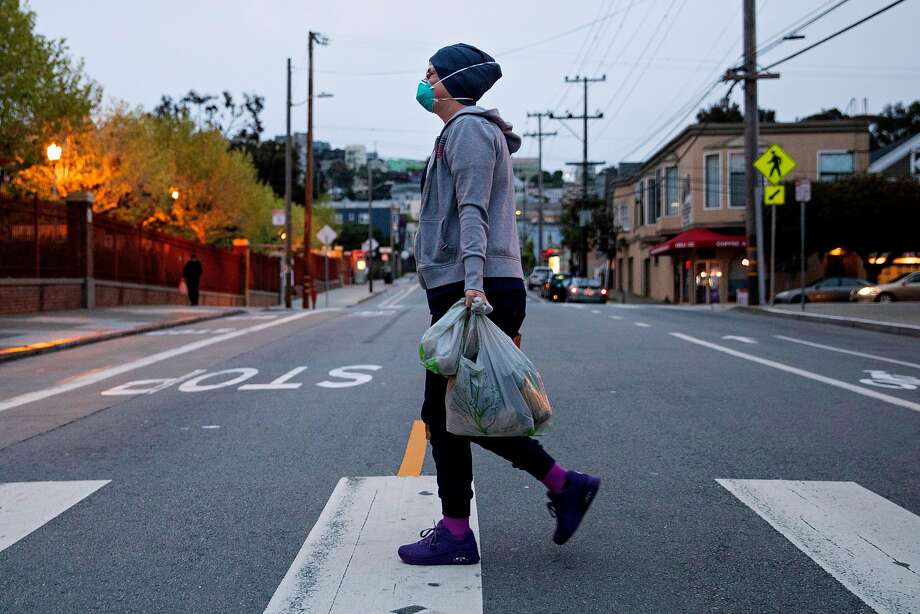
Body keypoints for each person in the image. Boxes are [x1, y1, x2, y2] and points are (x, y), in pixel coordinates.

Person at [398, 43, 600, 566]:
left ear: (451, 82)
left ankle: (458, 532)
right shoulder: (467, 131)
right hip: (480, 281)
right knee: (461, 410)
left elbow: (470, 209)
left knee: (447, 415)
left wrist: (470, 285)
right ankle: (561, 484)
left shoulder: (466, 129)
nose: (423, 82)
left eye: (430, 74)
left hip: (474, 283)